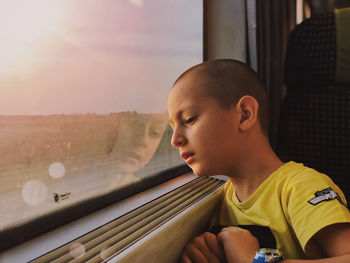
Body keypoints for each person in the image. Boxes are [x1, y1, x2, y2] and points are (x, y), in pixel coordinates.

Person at [167, 59, 350, 263]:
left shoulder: (299, 187)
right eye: (173, 126)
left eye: (190, 119)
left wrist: (254, 260)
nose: (175, 140)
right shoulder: (224, 200)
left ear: (245, 114)